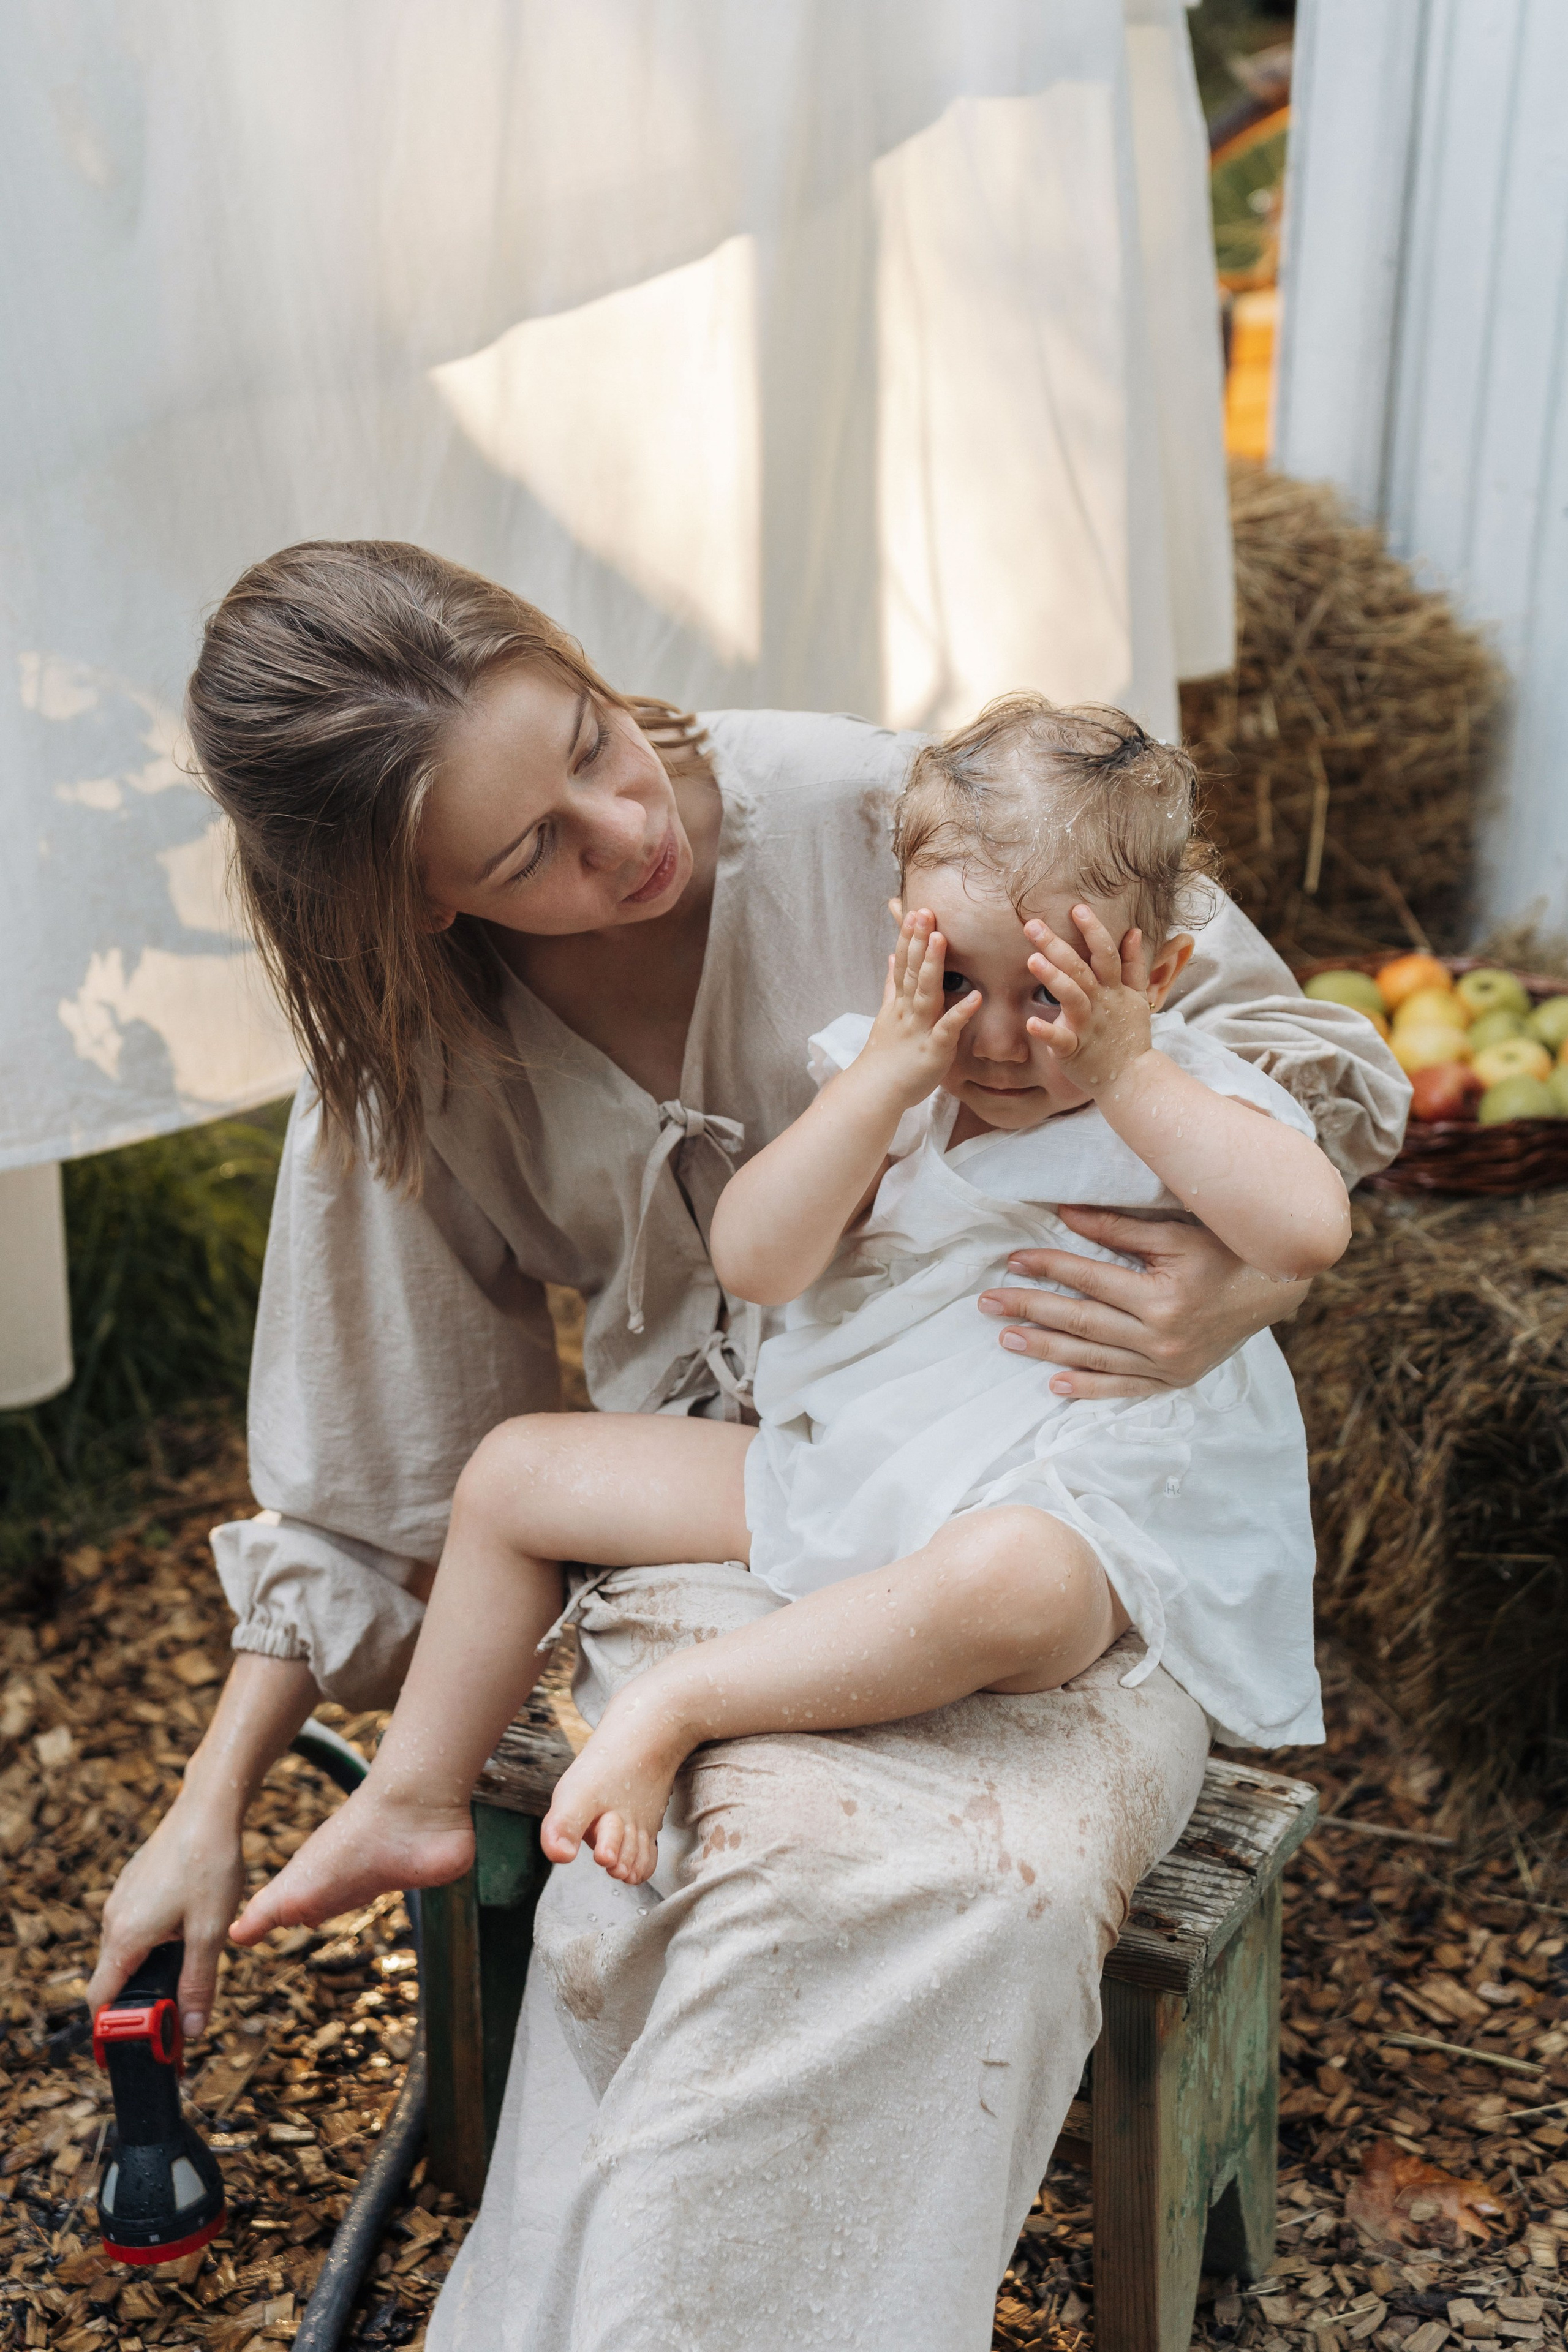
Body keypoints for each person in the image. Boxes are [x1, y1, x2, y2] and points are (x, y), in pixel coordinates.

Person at [86, 544, 1408, 2351]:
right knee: (704, 1876)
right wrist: (210, 1797)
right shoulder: (417, 1046)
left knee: (933, 1884)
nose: (616, 831)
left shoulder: (920, 822)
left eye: (591, 739)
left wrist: (1225, 1295)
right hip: (774, 1494)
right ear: (412, 913)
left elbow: (1295, 1090)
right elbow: (381, 1473)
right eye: (523, 854)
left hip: (1063, 1477)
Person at [228, 698, 1349, 1936]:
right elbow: (756, 1262)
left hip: (1072, 1501)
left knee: (1011, 1582)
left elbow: (1305, 1229)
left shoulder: (1185, 1098)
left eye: (1047, 991)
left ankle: (681, 1702)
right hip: (845, 1463)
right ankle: (412, 1792)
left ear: (1156, 974)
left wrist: (1126, 1069)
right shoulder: (893, 1080)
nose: (990, 1034)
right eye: (952, 976)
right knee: (514, 1472)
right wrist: (880, 1076)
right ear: (903, 944)